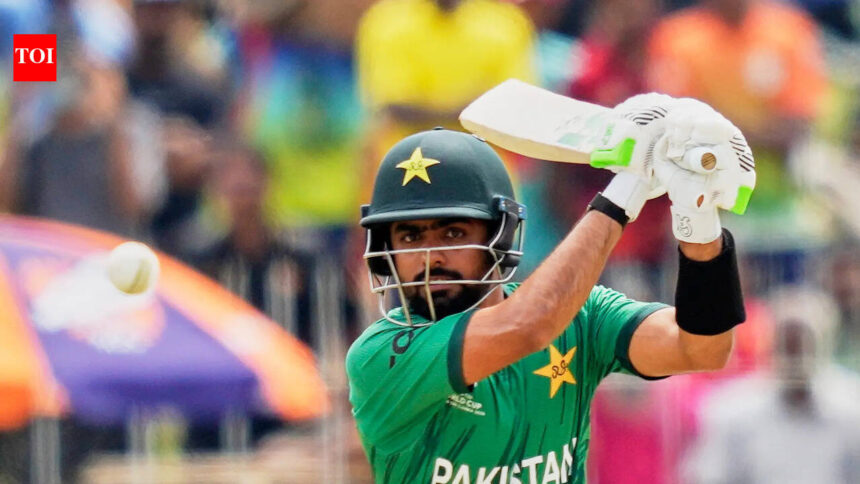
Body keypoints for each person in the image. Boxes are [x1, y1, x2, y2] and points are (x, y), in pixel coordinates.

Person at [346, 89, 757, 483]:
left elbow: (702, 348)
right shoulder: (382, 354)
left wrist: (697, 219)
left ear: (500, 236)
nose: (429, 257)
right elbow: (527, 326)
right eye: (410, 237)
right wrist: (628, 186)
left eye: (453, 233)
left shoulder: (582, 316)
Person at [685, 286, 860, 483]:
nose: (796, 354)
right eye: (789, 344)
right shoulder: (732, 409)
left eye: (803, 343)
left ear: (825, 342)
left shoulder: (852, 407)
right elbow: (710, 475)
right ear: (771, 342)